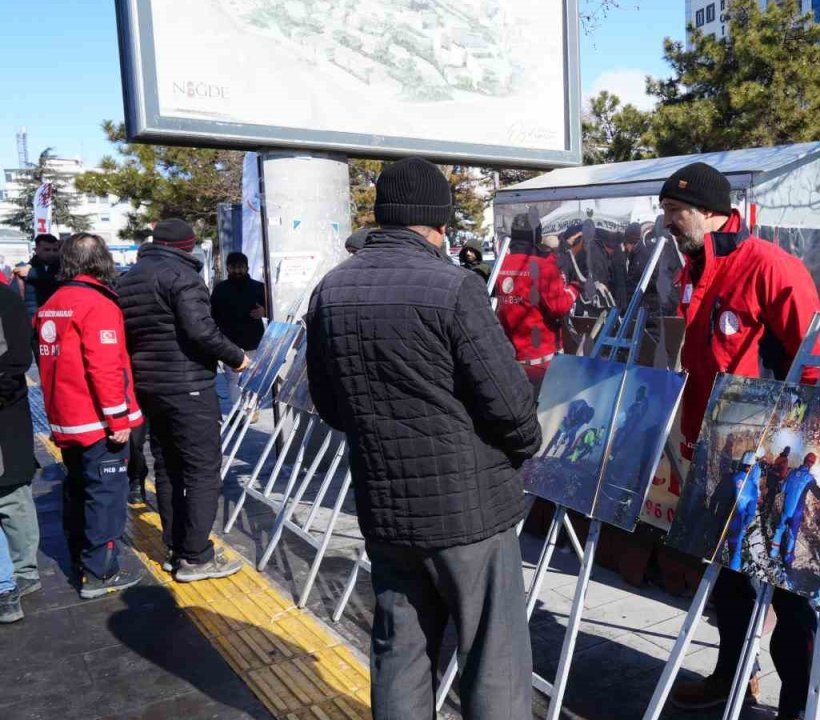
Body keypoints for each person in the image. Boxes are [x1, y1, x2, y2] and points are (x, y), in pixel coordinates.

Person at [306, 157, 541, 720]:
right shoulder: (455, 287)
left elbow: (330, 404)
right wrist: (524, 446)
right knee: (494, 658)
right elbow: (510, 404)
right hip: (469, 510)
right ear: (439, 222)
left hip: (385, 506)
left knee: (400, 650)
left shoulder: (331, 289)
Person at [662, 162, 820, 718]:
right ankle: (733, 679)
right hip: (712, 453)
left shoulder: (771, 266)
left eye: (675, 211)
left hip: (766, 458)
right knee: (728, 581)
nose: (666, 222)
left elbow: (813, 366)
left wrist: (791, 445)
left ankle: (796, 706)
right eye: (664, 211)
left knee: (784, 586)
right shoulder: (694, 268)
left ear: (712, 213)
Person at [118, 218, 249, 582]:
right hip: (188, 384)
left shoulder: (128, 279)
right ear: (187, 246)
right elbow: (200, 330)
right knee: (203, 469)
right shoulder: (182, 277)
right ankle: (196, 556)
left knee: (167, 465)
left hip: (148, 386)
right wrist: (237, 357)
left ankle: (176, 548)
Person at [37, 233, 146, 599]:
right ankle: (100, 572)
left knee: (78, 489)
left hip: (66, 417)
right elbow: (105, 366)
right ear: (102, 261)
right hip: (96, 420)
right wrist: (118, 420)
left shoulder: (53, 302)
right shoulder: (97, 304)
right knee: (106, 497)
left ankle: (81, 561)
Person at [494, 209, 579, 383]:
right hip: (542, 359)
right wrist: (574, 288)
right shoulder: (543, 266)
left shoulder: (500, 265)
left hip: (510, 356)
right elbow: (559, 306)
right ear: (537, 236)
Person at [0, 273, 37, 618]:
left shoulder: (7, 301)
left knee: (13, 495)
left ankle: (24, 571)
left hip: (6, 416)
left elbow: (16, 363)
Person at [211, 252, 267, 410]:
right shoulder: (220, 289)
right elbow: (211, 315)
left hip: (254, 342)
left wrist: (264, 311)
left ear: (247, 268)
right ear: (227, 268)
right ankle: (239, 410)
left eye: (241, 267)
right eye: (234, 267)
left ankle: (251, 409)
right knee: (234, 379)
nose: (237, 271)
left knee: (254, 376)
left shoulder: (259, 287)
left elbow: (273, 308)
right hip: (229, 343)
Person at [768, 453, 820, 571]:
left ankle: (773, 552)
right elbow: (818, 494)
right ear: (812, 464)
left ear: (804, 459)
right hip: (796, 512)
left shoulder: (791, 472)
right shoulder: (809, 478)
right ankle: (787, 559)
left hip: (786, 507)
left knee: (780, 529)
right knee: (792, 535)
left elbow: (783, 488)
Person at [721, 451, 762, 572]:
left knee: (716, 548)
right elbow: (750, 513)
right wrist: (744, 527)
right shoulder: (752, 488)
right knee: (735, 553)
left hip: (721, 520)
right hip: (737, 524)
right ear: (751, 467)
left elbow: (715, 499)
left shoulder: (728, 478)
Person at [19, 233, 61, 318]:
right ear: (36, 250)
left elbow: (57, 278)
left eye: (55, 250)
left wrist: (30, 273)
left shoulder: (63, 268)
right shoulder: (22, 270)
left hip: (57, 315)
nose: (52, 253)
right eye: (47, 250)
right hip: (33, 317)